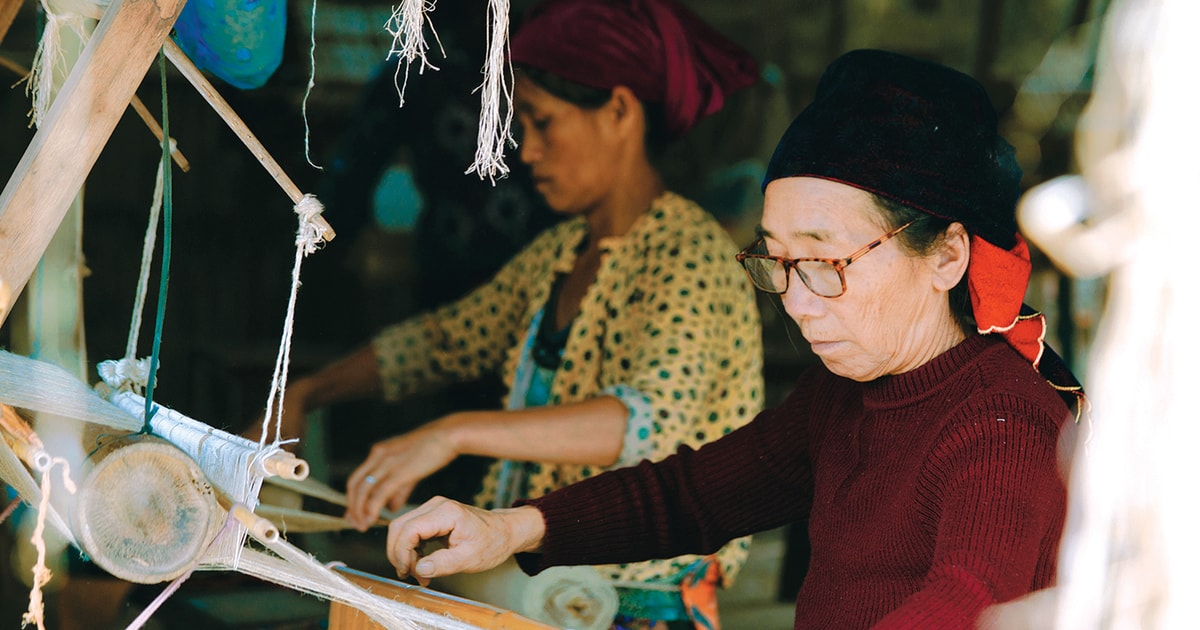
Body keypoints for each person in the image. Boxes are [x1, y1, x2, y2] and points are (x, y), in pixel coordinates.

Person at [383, 49, 1086, 629]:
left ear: (947, 256)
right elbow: (691, 496)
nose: (797, 302)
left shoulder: (1004, 424)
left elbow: (966, 604)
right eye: (777, 263)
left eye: (822, 262)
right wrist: (508, 529)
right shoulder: (840, 397)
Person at [275, 0, 764, 627]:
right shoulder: (558, 254)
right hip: (529, 599)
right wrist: (309, 391)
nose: (525, 150)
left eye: (541, 122)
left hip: (631, 608)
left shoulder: (690, 254)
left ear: (619, 111)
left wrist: (450, 431)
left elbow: (645, 423)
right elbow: (443, 340)